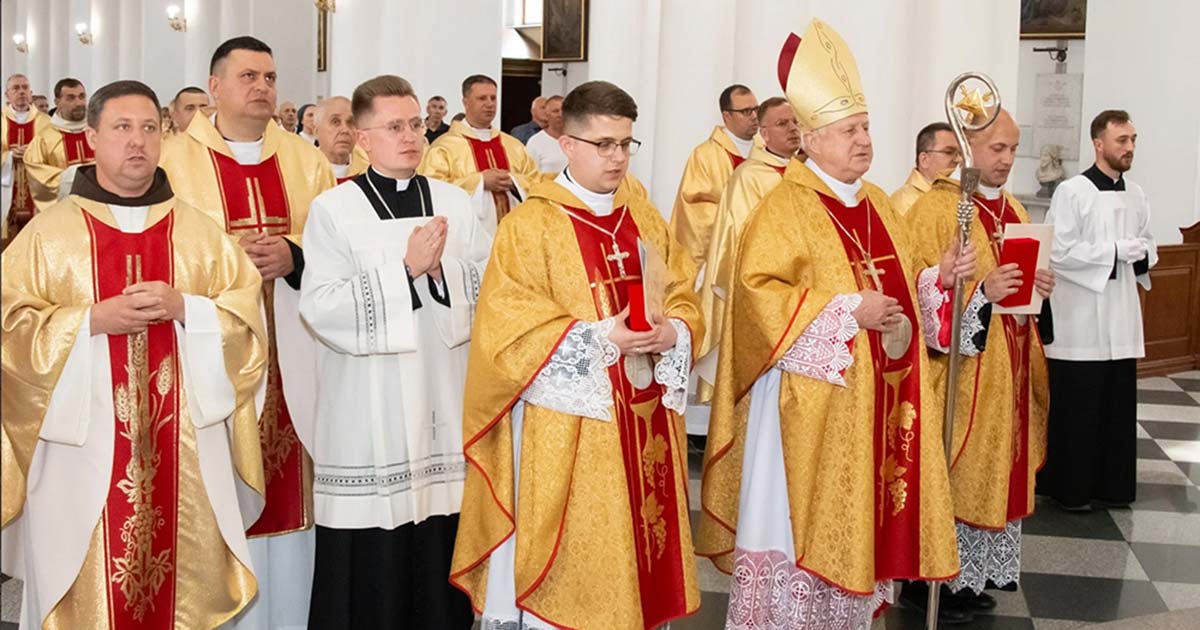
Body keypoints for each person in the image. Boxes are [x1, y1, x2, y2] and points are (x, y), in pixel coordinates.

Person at [697, 19, 969, 628]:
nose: (865, 140)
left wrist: (937, 280)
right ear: (812, 141)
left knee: (860, 531)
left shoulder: (875, 202)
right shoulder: (783, 206)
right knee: (797, 533)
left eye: (866, 128)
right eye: (849, 130)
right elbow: (756, 298)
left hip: (874, 407)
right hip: (805, 413)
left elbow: (899, 289)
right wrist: (847, 310)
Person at [0, 79, 267, 629]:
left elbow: (247, 328)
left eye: (149, 128)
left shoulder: (201, 234)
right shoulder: (48, 237)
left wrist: (186, 309)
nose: (138, 142)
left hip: (185, 456)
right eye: (122, 128)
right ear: (92, 137)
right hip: (79, 458)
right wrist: (88, 321)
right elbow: (10, 329)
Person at [453, 80, 703, 629]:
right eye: (604, 144)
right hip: (568, 433)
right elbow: (507, 332)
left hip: (644, 421)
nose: (617, 157)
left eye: (626, 144)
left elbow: (681, 288)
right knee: (578, 564)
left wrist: (676, 330)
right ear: (567, 144)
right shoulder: (531, 226)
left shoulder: (643, 218)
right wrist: (596, 338)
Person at [159, 35, 335, 630]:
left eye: (270, 77)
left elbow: (337, 244)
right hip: (212, 353)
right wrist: (231, 263)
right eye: (248, 77)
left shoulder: (306, 160)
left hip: (295, 349)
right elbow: (161, 249)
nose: (262, 87)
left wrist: (294, 254)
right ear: (214, 87)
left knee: (294, 485)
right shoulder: (174, 161)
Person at [299, 73, 487, 630]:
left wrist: (441, 271)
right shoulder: (333, 211)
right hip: (367, 410)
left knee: (439, 541)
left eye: (415, 125)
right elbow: (322, 306)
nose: (410, 137)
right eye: (394, 127)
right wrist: (404, 271)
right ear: (362, 139)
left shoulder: (456, 203)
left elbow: (487, 288)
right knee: (369, 565)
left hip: (440, 399)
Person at [904, 108, 1056, 618]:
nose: (1008, 159)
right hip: (958, 373)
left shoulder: (1014, 208)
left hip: (1005, 366)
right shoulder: (936, 210)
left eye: (1014, 148)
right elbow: (916, 291)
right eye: (997, 149)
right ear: (968, 147)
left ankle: (968, 578)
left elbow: (1014, 284)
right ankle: (929, 582)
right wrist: (980, 294)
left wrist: (1037, 287)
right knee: (956, 467)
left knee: (994, 469)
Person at [1038, 109, 1157, 510]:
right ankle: (1071, 488)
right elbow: (1060, 251)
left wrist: (1142, 253)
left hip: (1121, 318)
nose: (1129, 148)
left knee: (1115, 408)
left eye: (1133, 140)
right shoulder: (1073, 191)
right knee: (1079, 408)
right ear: (1098, 143)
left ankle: (1114, 485)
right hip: (1081, 322)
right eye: (1122, 140)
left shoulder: (1136, 193)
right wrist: (1115, 252)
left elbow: (1148, 242)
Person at [693, 96, 801, 402]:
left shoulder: (806, 175)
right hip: (763, 291)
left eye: (795, 122)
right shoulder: (749, 177)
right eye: (782, 124)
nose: (793, 129)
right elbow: (738, 239)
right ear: (764, 134)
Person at [419, 74, 539, 236]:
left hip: (514, 236)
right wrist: (480, 182)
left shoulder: (513, 146)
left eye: (493, 98)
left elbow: (536, 182)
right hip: (466, 237)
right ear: (465, 102)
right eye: (482, 98)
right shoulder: (445, 146)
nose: (489, 104)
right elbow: (433, 189)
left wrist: (514, 181)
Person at [668, 84, 760, 272]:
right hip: (723, 256)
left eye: (756, 110)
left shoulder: (765, 151)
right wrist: (741, 227)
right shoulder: (705, 155)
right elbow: (697, 213)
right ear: (727, 116)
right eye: (746, 111)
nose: (754, 117)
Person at [23, 78, 94, 211]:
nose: (79, 103)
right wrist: (75, 176)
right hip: (61, 212)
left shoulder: (98, 132)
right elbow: (36, 175)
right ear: (57, 102)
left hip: (98, 208)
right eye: (70, 98)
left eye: (82, 96)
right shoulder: (44, 138)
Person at [1, 73, 50, 243]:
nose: (21, 92)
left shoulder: (46, 122)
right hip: (5, 188)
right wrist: (9, 156)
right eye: (15, 88)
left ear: (31, 93)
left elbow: (53, 155)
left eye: (25, 88)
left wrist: (33, 153)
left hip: (36, 189)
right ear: (7, 95)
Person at [892, 121, 961, 216]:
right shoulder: (904, 202)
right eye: (949, 152)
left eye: (960, 153)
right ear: (924, 160)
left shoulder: (958, 196)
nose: (958, 159)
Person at [313, 96, 367, 183]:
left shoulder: (368, 171)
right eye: (335, 122)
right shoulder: (304, 172)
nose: (345, 130)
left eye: (351, 122)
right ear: (316, 132)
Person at [525, 94, 567, 174]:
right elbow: (530, 177)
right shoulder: (535, 142)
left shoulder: (577, 139)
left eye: (564, 110)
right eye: (556, 111)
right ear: (547, 115)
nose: (560, 115)